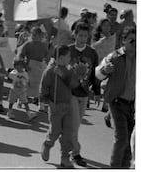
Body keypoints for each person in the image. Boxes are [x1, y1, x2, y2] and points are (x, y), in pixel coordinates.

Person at [95, 26, 136, 168]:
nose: (135, 43)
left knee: (131, 141)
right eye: (132, 40)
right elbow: (98, 74)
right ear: (124, 40)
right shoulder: (115, 57)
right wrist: (104, 70)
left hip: (134, 105)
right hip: (117, 103)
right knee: (122, 139)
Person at [40, 45, 83, 168]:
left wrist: (78, 78)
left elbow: (73, 85)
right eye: (68, 56)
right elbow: (44, 88)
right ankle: (47, 144)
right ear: (62, 57)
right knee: (55, 131)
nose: (70, 58)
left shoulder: (69, 70)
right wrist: (47, 101)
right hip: (55, 106)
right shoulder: (50, 71)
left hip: (68, 105)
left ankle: (65, 158)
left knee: (68, 133)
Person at [68, 22, 99, 167]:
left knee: (76, 125)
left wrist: (97, 91)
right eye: (80, 35)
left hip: (84, 93)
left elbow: (94, 74)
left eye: (85, 36)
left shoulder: (92, 53)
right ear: (74, 34)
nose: (83, 38)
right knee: (74, 124)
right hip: (70, 93)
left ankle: (64, 144)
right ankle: (75, 153)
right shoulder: (67, 51)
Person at [18, 27, 49, 109]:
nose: (34, 36)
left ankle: (41, 105)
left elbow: (47, 56)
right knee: (25, 86)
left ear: (40, 36)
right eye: (33, 35)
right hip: (28, 67)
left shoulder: (43, 45)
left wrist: (46, 64)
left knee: (40, 86)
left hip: (39, 68)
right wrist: (24, 65)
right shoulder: (28, 44)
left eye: (36, 35)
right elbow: (21, 54)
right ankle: (20, 101)